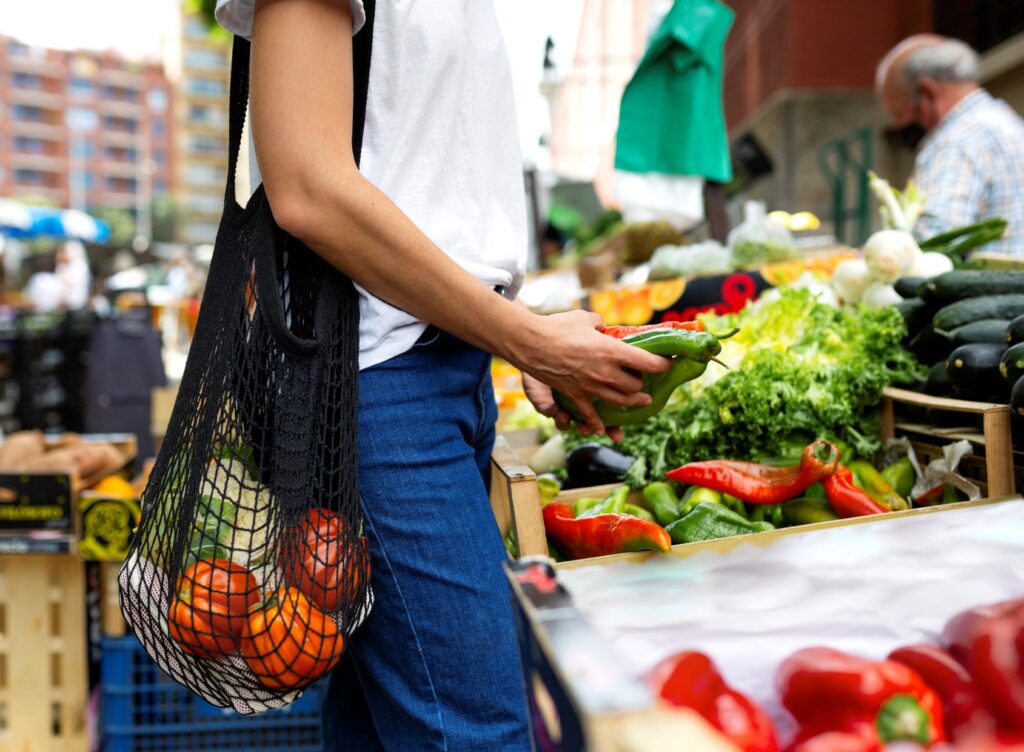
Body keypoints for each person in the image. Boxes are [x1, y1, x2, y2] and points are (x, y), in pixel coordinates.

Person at [213, 1, 670, 750]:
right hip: (375, 387)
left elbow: (426, 189)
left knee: (389, 723)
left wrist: (513, 324)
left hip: (437, 371)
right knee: (482, 728)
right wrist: (525, 339)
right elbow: (307, 187)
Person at [876, 35, 1024, 255]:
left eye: (899, 114)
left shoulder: (956, 142)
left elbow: (933, 242)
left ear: (927, 92)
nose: (900, 127)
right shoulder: (1008, 120)